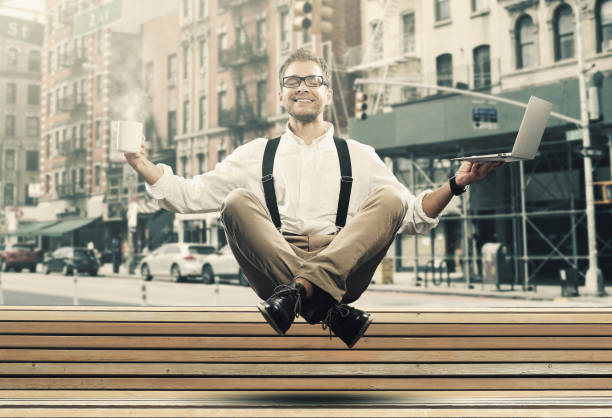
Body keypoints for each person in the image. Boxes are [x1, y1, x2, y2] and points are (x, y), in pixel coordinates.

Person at [124, 48, 502, 348]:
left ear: (328, 92)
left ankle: (302, 294)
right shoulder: (254, 153)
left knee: (391, 198)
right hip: (275, 270)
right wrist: (140, 162)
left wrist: (456, 183)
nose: (302, 86)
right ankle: (328, 310)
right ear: (280, 94)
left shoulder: (360, 155)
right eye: (292, 80)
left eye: (312, 80)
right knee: (236, 200)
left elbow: (412, 217)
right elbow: (188, 196)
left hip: (342, 268)